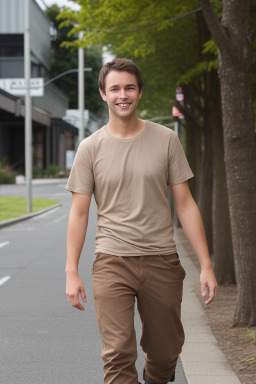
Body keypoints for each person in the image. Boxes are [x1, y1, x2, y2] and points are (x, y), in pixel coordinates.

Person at [65, 58, 217, 384]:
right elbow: (79, 213)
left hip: (161, 259)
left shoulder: (166, 140)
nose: (123, 95)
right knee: (118, 354)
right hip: (111, 261)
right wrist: (71, 271)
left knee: (165, 353)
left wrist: (206, 264)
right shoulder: (89, 148)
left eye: (129, 88)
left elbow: (186, 205)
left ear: (140, 92)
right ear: (103, 94)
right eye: (115, 88)